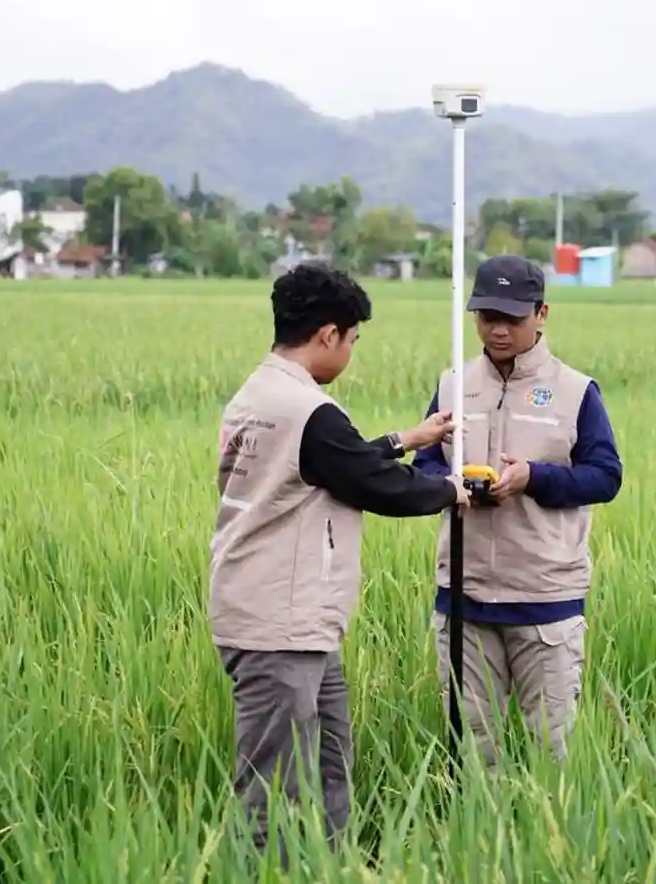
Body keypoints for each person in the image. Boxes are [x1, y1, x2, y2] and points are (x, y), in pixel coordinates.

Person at [209, 263, 469, 860]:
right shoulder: (310, 411)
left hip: (290, 618)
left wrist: (406, 439)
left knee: (328, 763)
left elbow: (331, 463)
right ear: (328, 335)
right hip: (280, 621)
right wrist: (455, 490)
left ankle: (327, 864)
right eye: (352, 339)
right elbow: (377, 487)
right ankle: (263, 870)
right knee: (272, 787)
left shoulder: (258, 394)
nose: (350, 350)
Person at [412, 254, 622, 769]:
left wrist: (534, 477)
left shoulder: (575, 392)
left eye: (512, 318)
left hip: (545, 600)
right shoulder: (453, 385)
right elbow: (421, 467)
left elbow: (606, 476)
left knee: (553, 753)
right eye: (487, 317)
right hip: (466, 598)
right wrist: (450, 485)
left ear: (542, 314)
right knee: (473, 754)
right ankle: (475, 842)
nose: (498, 330)